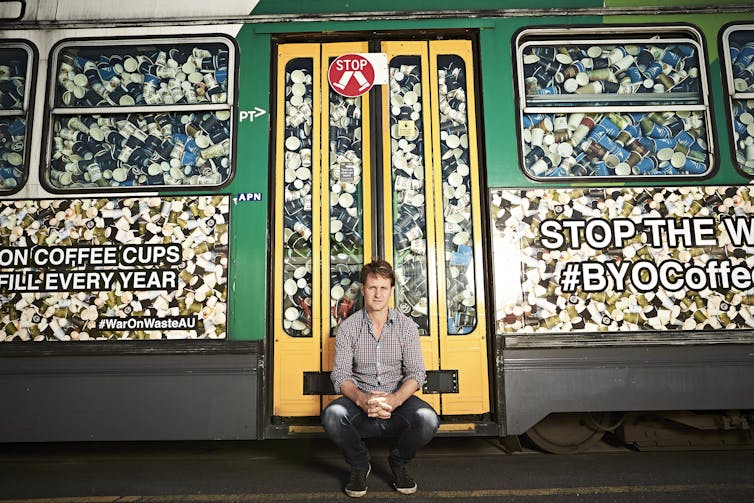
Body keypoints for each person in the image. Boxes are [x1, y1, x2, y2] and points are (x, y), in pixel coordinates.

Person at [321, 259, 439, 498]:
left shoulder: (406, 327)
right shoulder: (348, 328)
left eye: (383, 288)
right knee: (332, 415)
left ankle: (399, 461)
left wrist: (395, 400)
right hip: (360, 399)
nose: (378, 294)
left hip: (398, 400)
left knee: (428, 419)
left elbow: (417, 373)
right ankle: (359, 463)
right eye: (372, 287)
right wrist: (362, 399)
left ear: (391, 291)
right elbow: (341, 375)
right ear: (363, 289)